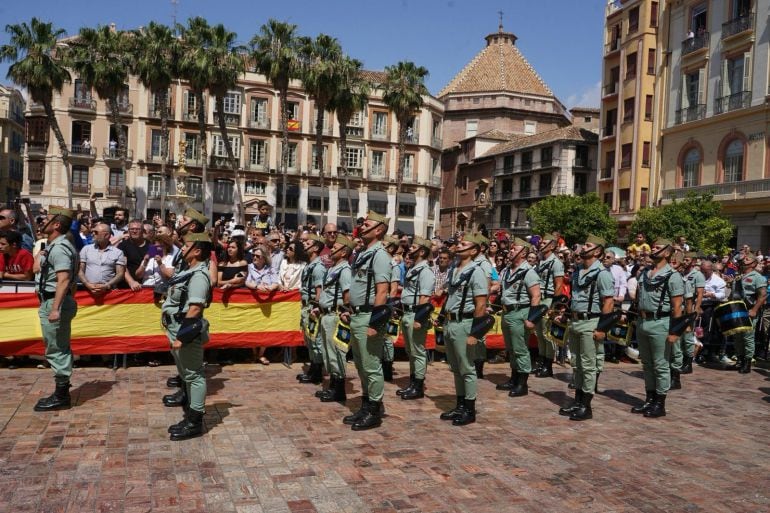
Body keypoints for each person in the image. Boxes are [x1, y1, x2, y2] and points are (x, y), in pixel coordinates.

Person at [339, 211, 392, 431]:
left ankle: (374, 409)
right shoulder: (363, 254)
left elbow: (382, 292)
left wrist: (375, 323)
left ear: (378, 230)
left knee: (371, 366)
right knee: (361, 365)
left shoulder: (380, 255)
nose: (362, 226)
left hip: (369, 316)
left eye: (367, 224)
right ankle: (366, 404)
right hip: (358, 314)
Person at [558, 234, 615, 421]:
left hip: (591, 321)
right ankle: (577, 401)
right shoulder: (578, 271)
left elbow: (608, 303)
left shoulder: (602, 273)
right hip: (575, 321)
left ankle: (586, 406)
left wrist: (602, 329)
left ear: (597, 251)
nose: (583, 248)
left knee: (589, 365)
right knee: (577, 363)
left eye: (588, 245)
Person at [162, 232, 213, 440]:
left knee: (194, 375)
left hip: (186, 331)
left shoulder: (199, 275)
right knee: (187, 374)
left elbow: (194, 309)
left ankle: (195, 421)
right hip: (176, 327)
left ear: (197, 251)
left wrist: (181, 338)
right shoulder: (188, 271)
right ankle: (191, 412)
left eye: (186, 246)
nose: (182, 249)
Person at [631, 239, 685, 419]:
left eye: (657, 247)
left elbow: (677, 306)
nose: (652, 249)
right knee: (647, 363)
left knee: (661, 365)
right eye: (652, 246)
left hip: (661, 322)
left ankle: (660, 403)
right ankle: (650, 398)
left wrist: (675, 331)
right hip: (643, 320)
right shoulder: (645, 272)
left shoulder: (673, 275)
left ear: (667, 253)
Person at [439, 233, 489, 426]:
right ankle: (460, 404)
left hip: (465, 323)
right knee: (456, 367)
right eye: (459, 243)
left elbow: (481, 304)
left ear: (474, 250)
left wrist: (475, 332)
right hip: (451, 323)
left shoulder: (476, 271)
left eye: (464, 244)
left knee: (467, 368)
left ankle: (469, 409)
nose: (459, 246)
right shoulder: (454, 269)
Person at [32, 206, 79, 411]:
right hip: (53, 300)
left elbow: (64, 279)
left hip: (54, 301)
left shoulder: (60, 248)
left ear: (57, 225)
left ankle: (61, 396)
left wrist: (56, 308)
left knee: (56, 349)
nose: (43, 222)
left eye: (47, 219)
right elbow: (35, 269)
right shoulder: (55, 245)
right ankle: (62, 391)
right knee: (58, 346)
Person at [496, 238, 541, 397]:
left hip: (520, 312)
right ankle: (514, 379)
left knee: (520, 349)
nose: (510, 251)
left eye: (514, 249)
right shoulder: (508, 270)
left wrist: (532, 319)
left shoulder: (528, 272)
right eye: (511, 249)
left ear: (523, 253)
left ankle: (522, 384)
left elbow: (536, 296)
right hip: (507, 312)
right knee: (511, 348)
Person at [315, 234, 355, 403]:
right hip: (326, 314)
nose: (331, 250)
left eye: (335, 248)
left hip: (334, 316)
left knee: (335, 353)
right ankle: (332, 385)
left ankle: (338, 389)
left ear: (344, 252)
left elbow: (347, 294)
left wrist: (346, 312)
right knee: (326, 352)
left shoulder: (345, 269)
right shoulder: (333, 268)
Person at [396, 236, 436, 400]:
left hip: (415, 314)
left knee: (418, 352)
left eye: (413, 247)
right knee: (410, 351)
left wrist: (419, 319)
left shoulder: (425, 272)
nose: (410, 249)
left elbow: (424, 298)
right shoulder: (414, 268)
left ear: (422, 251)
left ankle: (418, 386)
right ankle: (413, 383)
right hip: (407, 313)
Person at [729, 252, 767, 373]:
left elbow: (762, 296)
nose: (744, 261)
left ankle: (747, 362)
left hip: (748, 309)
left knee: (748, 337)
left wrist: (754, 309)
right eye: (743, 259)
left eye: (747, 259)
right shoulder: (738, 276)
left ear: (754, 263)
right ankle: (739, 360)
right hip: (737, 310)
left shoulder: (758, 277)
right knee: (737, 337)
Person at [533, 232, 564, 378]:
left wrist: (554, 306)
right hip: (539, 300)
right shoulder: (541, 261)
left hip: (548, 299)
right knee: (539, 333)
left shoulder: (555, 262)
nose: (540, 244)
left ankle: (548, 365)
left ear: (551, 246)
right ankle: (541, 361)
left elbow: (558, 285)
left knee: (547, 335)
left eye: (544, 242)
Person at [297, 234, 326, 382]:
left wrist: (316, 307)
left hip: (312, 307)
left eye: (307, 242)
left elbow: (319, 291)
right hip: (306, 306)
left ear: (315, 247)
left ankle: (317, 372)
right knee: (310, 340)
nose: (304, 244)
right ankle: (313, 369)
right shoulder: (309, 265)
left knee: (316, 340)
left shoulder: (318, 267)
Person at [78, 223, 126, 294]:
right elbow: (80, 270)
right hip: (87, 291)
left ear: (106, 235)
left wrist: (106, 286)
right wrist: (88, 284)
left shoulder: (118, 253)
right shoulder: (86, 249)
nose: (92, 234)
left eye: (96, 232)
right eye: (92, 232)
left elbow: (120, 274)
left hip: (109, 292)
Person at [381, 235, 402, 382]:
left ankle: (387, 368)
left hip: (386, 304)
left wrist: (388, 307)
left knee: (387, 338)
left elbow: (393, 289)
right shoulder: (381, 262)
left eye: (384, 244)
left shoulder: (393, 265)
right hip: (378, 303)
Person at [680, 252, 704, 374]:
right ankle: (680, 361)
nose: (684, 262)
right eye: (683, 259)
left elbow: (700, 294)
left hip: (690, 308)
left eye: (687, 260)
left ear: (693, 261)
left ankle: (688, 363)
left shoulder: (697, 275)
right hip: (680, 308)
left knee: (688, 336)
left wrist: (696, 309)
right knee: (679, 336)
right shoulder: (681, 273)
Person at [118, 220, 149, 291]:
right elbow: (122, 266)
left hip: (146, 287)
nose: (134, 231)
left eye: (137, 229)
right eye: (131, 229)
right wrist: (131, 281)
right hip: (127, 287)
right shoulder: (122, 245)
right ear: (128, 231)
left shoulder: (151, 246)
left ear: (143, 231)